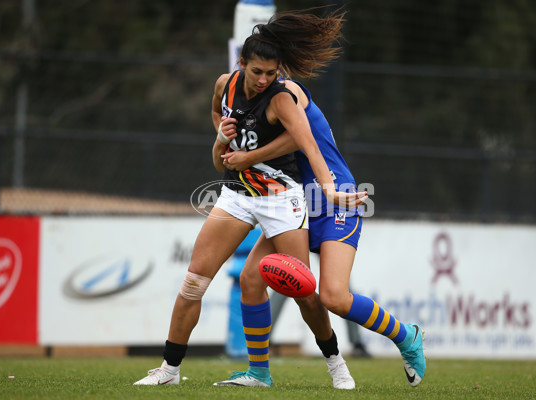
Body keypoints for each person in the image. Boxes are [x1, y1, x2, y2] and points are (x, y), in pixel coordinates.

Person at [133, 8, 367, 389]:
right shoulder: (224, 84)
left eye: (271, 73)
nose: (263, 79)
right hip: (237, 194)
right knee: (194, 281)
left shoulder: (281, 99)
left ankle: (337, 364)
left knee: (305, 291)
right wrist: (222, 134)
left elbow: (308, 143)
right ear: (241, 63)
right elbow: (216, 117)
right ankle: (170, 371)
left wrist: (328, 189)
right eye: (256, 71)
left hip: (281, 199)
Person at [220, 75, 426, 387]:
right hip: (296, 204)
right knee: (251, 279)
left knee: (334, 296)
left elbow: (302, 141)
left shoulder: (287, 92)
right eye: (251, 68)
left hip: (336, 199)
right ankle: (259, 372)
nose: (258, 77)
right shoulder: (250, 102)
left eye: (266, 68)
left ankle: (405, 335)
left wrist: (247, 156)